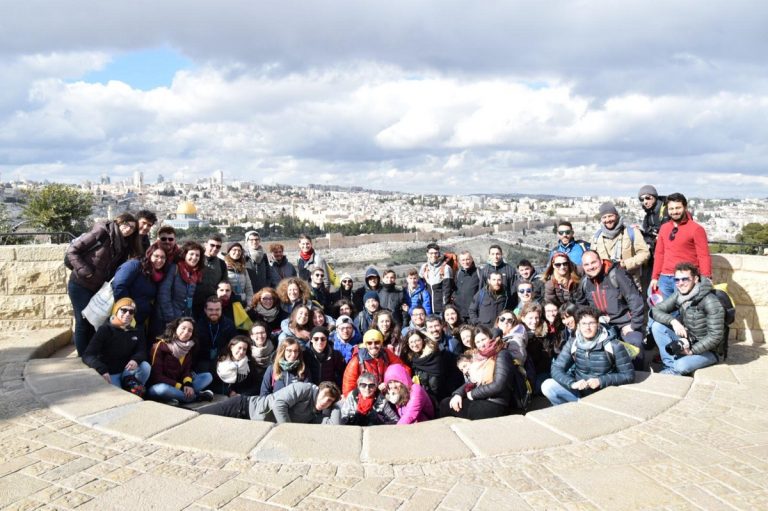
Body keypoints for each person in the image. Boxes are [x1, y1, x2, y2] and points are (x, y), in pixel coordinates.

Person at [66, 212, 141, 355]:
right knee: (82, 322)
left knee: (93, 321)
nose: (128, 229)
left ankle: (90, 354)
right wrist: (86, 271)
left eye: (132, 228)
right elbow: (73, 251)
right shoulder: (102, 232)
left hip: (97, 287)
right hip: (80, 284)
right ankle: (83, 357)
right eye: (127, 225)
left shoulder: (122, 244)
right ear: (119, 222)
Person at [541, 306, 635, 405]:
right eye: (584, 324)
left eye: (591, 323)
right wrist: (572, 383)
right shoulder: (573, 343)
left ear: (598, 324)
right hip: (580, 393)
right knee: (548, 386)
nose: (587, 327)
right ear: (578, 325)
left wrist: (600, 381)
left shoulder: (613, 345)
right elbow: (557, 367)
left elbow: (628, 375)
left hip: (604, 395)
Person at [649, 263, 725, 375]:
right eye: (677, 280)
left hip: (710, 350)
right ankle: (669, 366)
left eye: (685, 279)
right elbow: (655, 310)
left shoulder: (710, 301)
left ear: (695, 279)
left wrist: (692, 351)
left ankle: (673, 369)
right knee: (657, 326)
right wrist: (673, 321)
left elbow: (715, 336)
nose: (680, 283)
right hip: (689, 340)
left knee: (681, 365)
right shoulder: (680, 295)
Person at [578, 250, 645, 369]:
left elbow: (635, 299)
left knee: (635, 343)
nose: (591, 267)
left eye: (593, 262)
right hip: (601, 325)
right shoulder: (584, 282)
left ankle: (639, 375)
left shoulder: (616, 274)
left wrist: (634, 325)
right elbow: (581, 306)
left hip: (625, 322)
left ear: (601, 261)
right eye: (586, 265)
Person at [440, 326, 517, 420]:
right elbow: (471, 382)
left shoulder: (502, 353)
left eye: (483, 339)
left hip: (496, 403)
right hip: (482, 399)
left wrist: (472, 394)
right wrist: (458, 394)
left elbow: (499, 385)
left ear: (490, 338)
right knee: (447, 402)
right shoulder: (479, 358)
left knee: (447, 406)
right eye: (477, 342)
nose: (481, 344)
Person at [82, 298, 150, 395]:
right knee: (119, 397)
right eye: (124, 310)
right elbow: (88, 355)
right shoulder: (105, 330)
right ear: (116, 310)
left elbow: (142, 350)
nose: (127, 314)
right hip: (111, 373)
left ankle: (136, 390)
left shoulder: (137, 331)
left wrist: (136, 359)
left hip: (127, 372)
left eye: (131, 312)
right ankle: (131, 390)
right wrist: (102, 370)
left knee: (145, 366)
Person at [651, 193, 712, 299]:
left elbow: (703, 255)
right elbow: (659, 254)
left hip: (685, 277)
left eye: (678, 208)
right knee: (663, 312)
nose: (674, 211)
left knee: (686, 312)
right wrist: (655, 277)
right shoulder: (664, 228)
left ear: (685, 207)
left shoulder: (696, 229)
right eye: (671, 209)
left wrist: (706, 278)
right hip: (665, 277)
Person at [199, 381, 341, 424]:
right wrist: (287, 429)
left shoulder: (315, 415)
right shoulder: (305, 389)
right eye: (324, 396)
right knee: (198, 416)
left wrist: (336, 406)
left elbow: (334, 426)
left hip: (251, 423)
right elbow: (278, 404)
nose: (324, 402)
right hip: (244, 406)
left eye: (329, 401)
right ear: (319, 391)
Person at [147, 317, 214, 405]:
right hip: (160, 386)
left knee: (207, 376)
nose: (186, 332)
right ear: (175, 328)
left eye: (190, 330)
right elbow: (156, 376)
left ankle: (177, 397)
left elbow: (186, 371)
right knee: (163, 389)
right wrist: (180, 386)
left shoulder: (188, 347)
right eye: (183, 328)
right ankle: (196, 397)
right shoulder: (159, 346)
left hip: (179, 386)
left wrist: (188, 384)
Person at [591, 201, 650, 291]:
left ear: (617, 216)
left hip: (631, 284)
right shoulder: (597, 237)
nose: (608, 220)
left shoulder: (632, 232)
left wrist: (626, 263)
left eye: (610, 216)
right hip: (607, 286)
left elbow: (645, 253)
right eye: (604, 217)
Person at [112, 245, 166, 335]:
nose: (160, 260)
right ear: (149, 255)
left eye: (163, 257)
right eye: (156, 256)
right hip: (124, 317)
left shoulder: (155, 274)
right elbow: (119, 285)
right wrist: (127, 311)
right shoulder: (135, 265)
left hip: (139, 320)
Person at [341, 330, 409, 396]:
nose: (373, 346)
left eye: (377, 342)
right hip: (364, 395)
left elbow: (403, 370)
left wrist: (390, 383)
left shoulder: (386, 354)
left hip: (385, 393)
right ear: (365, 344)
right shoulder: (356, 360)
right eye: (369, 343)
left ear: (381, 343)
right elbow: (348, 388)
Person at [157, 241, 205, 328]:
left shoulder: (195, 274)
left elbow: (189, 298)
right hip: (168, 319)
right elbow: (164, 293)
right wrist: (171, 318)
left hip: (184, 319)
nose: (194, 257)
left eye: (197, 255)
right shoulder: (175, 268)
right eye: (191, 254)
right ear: (184, 255)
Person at [195, 296, 238, 378]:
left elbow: (234, 343)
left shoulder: (229, 324)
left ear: (221, 310)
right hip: (203, 360)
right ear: (205, 310)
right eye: (211, 310)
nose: (214, 312)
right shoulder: (198, 325)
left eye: (217, 310)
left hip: (223, 359)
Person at [638, 185, 669, 294]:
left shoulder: (666, 210)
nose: (645, 202)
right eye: (642, 199)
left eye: (648, 198)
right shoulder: (648, 215)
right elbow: (648, 233)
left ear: (655, 197)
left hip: (666, 257)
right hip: (653, 255)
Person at [519, 302, 556, 394]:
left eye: (536, 317)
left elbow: (547, 354)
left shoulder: (545, 331)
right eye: (530, 318)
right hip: (526, 370)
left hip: (542, 369)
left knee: (537, 389)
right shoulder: (519, 334)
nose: (534, 321)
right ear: (523, 318)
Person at [399, 329, 441, 399]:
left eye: (417, 340)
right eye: (411, 342)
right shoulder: (408, 360)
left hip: (436, 396)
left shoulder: (434, 356)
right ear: (408, 344)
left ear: (423, 340)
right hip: (417, 396)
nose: (415, 344)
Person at [192, 235, 228, 318]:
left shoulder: (222, 264)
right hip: (195, 303)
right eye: (212, 245)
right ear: (206, 244)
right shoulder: (195, 260)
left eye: (218, 246)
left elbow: (224, 283)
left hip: (213, 305)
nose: (215, 248)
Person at [419, 243, 454, 315]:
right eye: (431, 253)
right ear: (427, 254)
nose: (433, 255)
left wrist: (445, 308)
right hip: (427, 308)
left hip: (440, 309)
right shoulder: (424, 267)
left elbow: (447, 291)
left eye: (436, 253)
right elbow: (420, 286)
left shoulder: (446, 268)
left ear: (439, 254)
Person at [222, 242, 253, 308]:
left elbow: (248, 288)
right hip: (228, 303)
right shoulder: (223, 266)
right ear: (229, 251)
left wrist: (249, 302)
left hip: (242, 302)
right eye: (234, 250)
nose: (237, 252)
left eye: (239, 250)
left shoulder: (243, 268)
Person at [454, 251, 481, 323]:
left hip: (473, 313)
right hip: (460, 313)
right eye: (463, 260)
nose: (465, 262)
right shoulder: (458, 273)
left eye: (467, 259)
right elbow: (455, 290)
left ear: (472, 259)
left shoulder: (479, 272)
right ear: (459, 261)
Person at [249, 321, 276, 390]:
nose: (260, 336)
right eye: (257, 333)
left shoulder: (275, 344)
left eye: (262, 333)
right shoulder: (247, 351)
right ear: (251, 336)